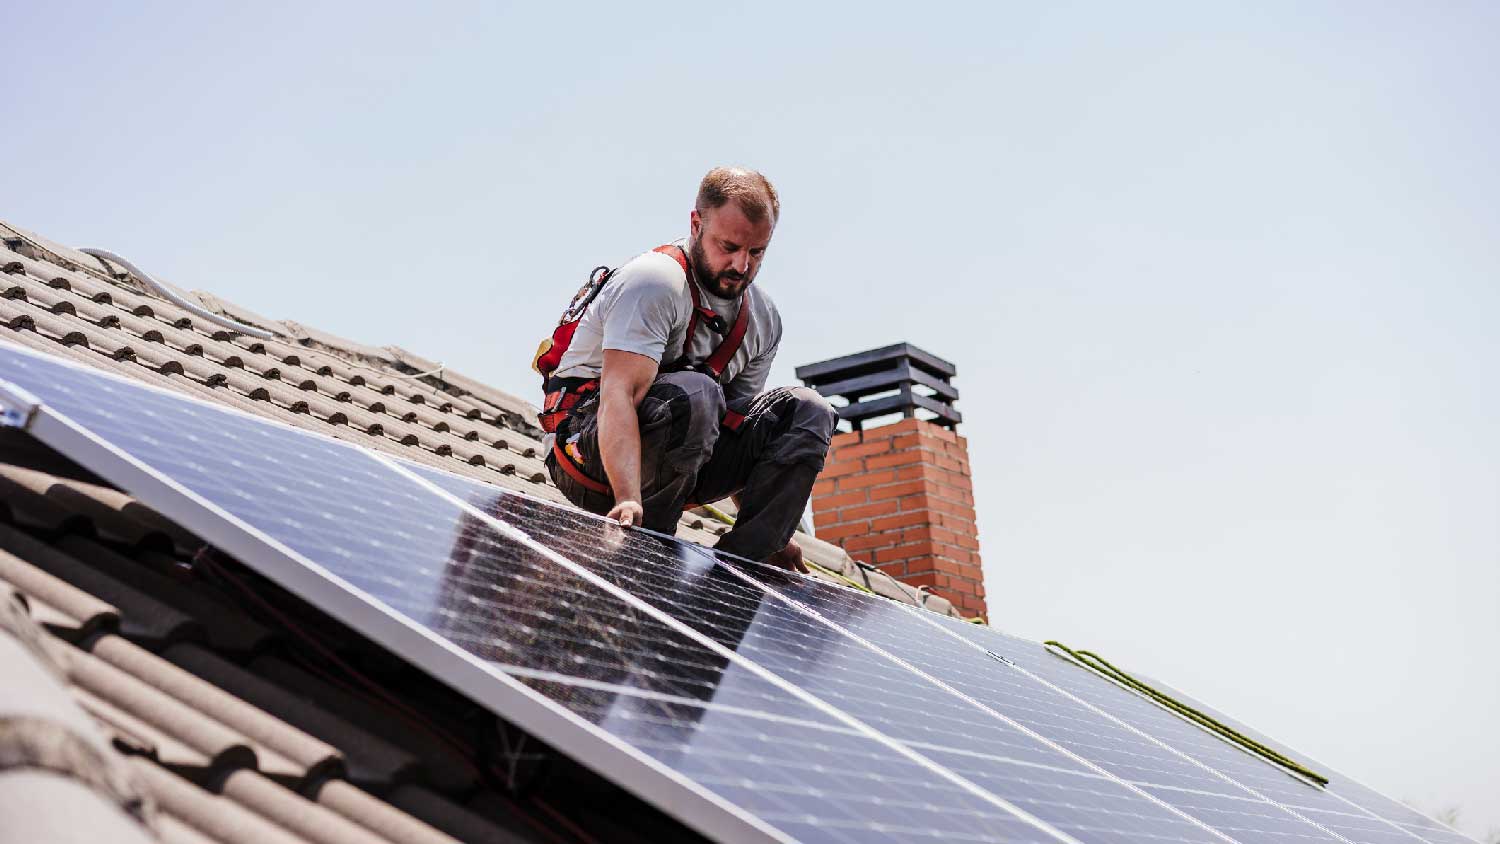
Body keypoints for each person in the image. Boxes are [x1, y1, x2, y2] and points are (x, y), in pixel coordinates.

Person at [543, 166, 837, 572]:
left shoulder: (763, 319)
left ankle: (747, 564)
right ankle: (648, 552)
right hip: (591, 455)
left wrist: (770, 525)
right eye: (728, 246)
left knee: (808, 410)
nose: (740, 265)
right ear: (696, 223)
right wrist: (628, 497)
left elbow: (736, 427)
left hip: (682, 464)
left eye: (756, 253)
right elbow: (618, 395)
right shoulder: (655, 282)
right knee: (697, 391)